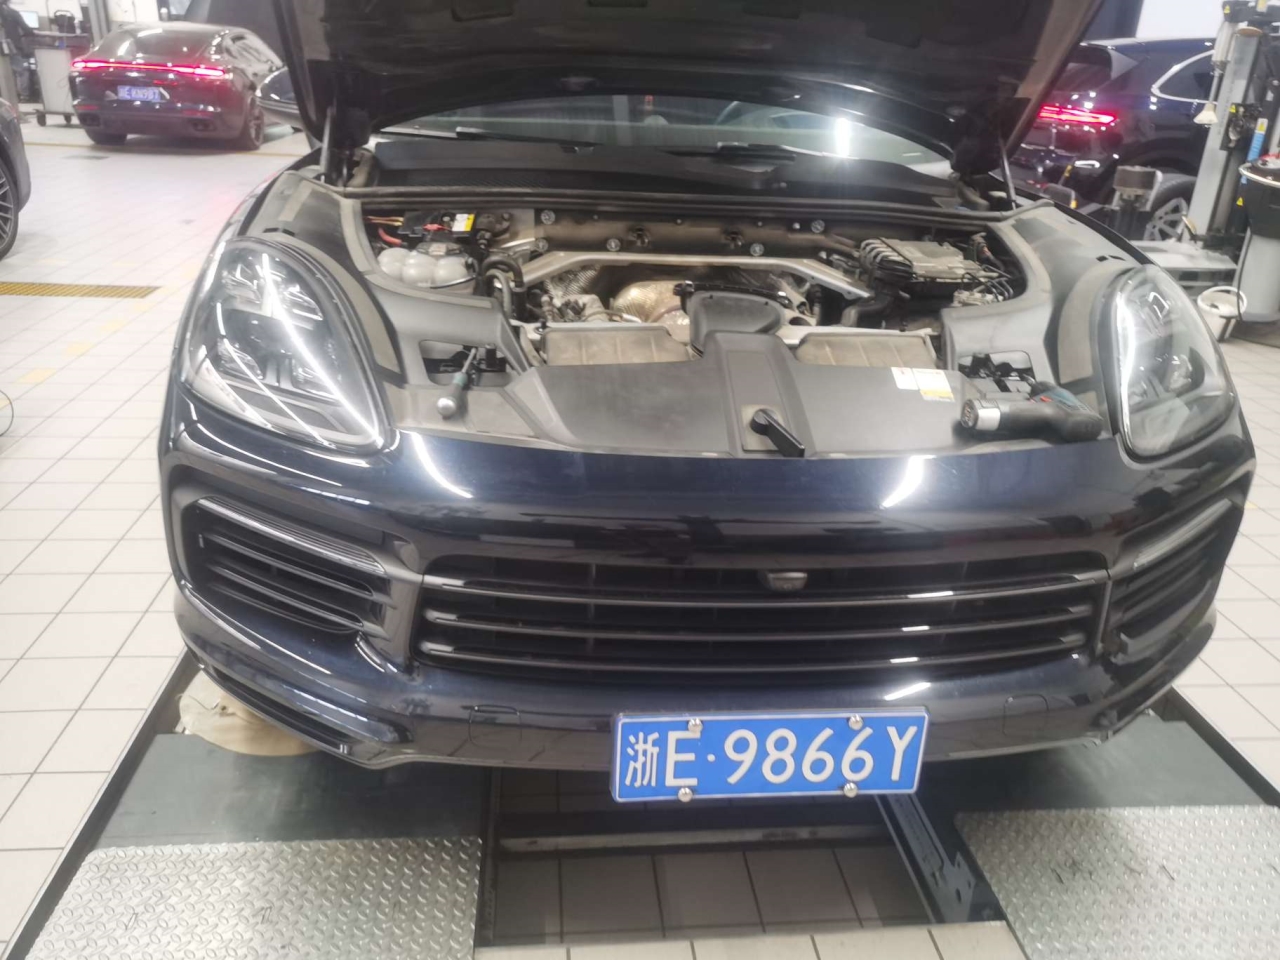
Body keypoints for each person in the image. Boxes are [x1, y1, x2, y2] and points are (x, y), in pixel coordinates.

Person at [0, 1, 34, 101]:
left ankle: (5, 96)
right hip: (12, 46)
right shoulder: (13, 13)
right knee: (21, 71)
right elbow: (26, 29)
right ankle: (23, 95)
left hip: (3, 46)